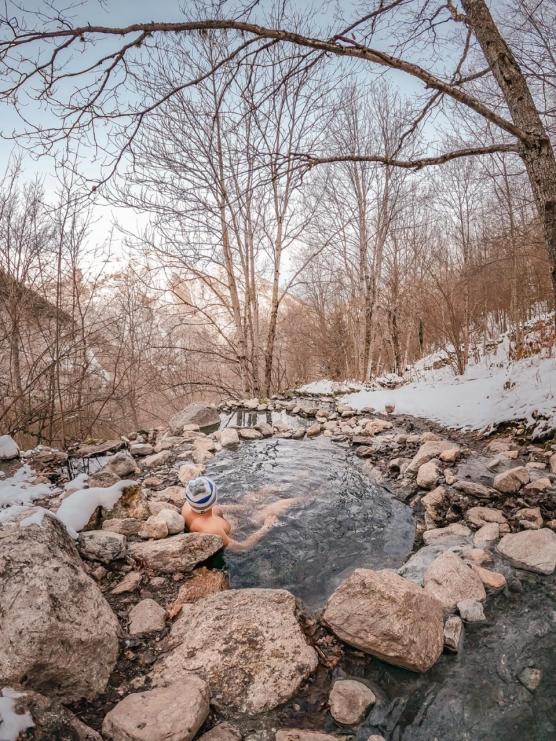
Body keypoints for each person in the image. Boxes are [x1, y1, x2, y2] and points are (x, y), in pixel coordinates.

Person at [181, 476, 302, 553]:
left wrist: (244, 508)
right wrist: (266, 527)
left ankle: (296, 480)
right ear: (214, 499)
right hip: (243, 527)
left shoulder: (188, 506)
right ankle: (305, 497)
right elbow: (242, 547)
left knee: (252, 497)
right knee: (270, 510)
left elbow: (215, 508)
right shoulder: (213, 530)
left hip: (229, 519)